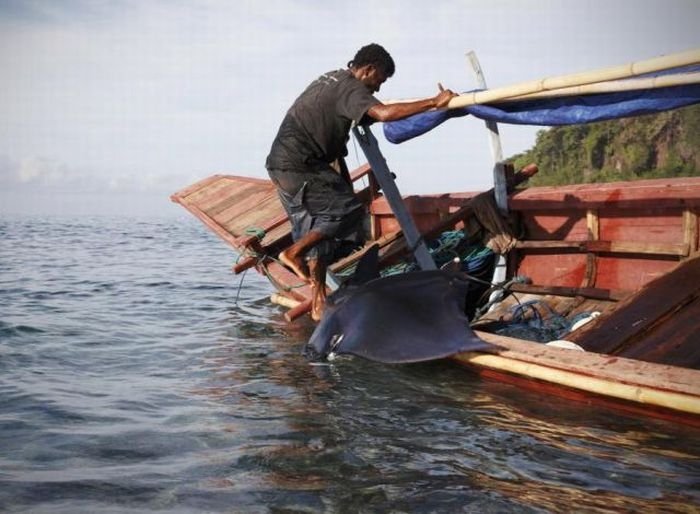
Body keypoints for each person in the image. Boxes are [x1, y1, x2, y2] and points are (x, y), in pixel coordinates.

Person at [266, 43, 456, 321]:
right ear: (368, 70)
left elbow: (341, 127)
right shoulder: (352, 89)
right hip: (301, 165)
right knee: (349, 211)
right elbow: (384, 113)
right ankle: (293, 252)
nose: (377, 89)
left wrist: (341, 179)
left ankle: (319, 304)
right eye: (379, 81)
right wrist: (432, 102)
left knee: (318, 235)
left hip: (282, 163)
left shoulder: (331, 78)